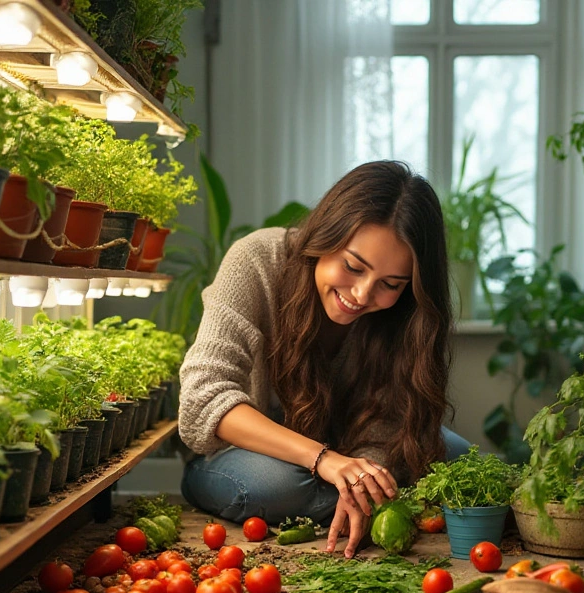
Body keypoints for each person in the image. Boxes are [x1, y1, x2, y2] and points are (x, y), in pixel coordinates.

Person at [178, 160, 471, 557]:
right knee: (279, 486)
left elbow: (392, 419)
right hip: (249, 456)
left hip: (344, 448)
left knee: (456, 453)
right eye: (353, 266)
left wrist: (361, 477)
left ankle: (352, 501)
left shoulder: (403, 314)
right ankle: (376, 499)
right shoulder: (256, 260)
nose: (364, 295)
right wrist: (324, 460)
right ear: (325, 234)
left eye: (390, 284)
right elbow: (202, 400)